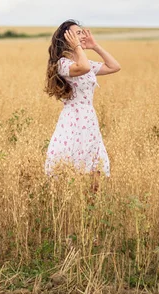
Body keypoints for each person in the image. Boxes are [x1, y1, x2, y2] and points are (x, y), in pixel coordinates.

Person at [43, 19, 121, 180]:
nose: (83, 35)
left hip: (89, 117)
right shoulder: (62, 64)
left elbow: (114, 66)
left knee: (94, 166)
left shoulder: (82, 61)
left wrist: (95, 46)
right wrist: (78, 47)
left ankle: (91, 203)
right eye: (78, 33)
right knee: (69, 162)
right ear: (67, 38)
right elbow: (84, 68)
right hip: (73, 118)